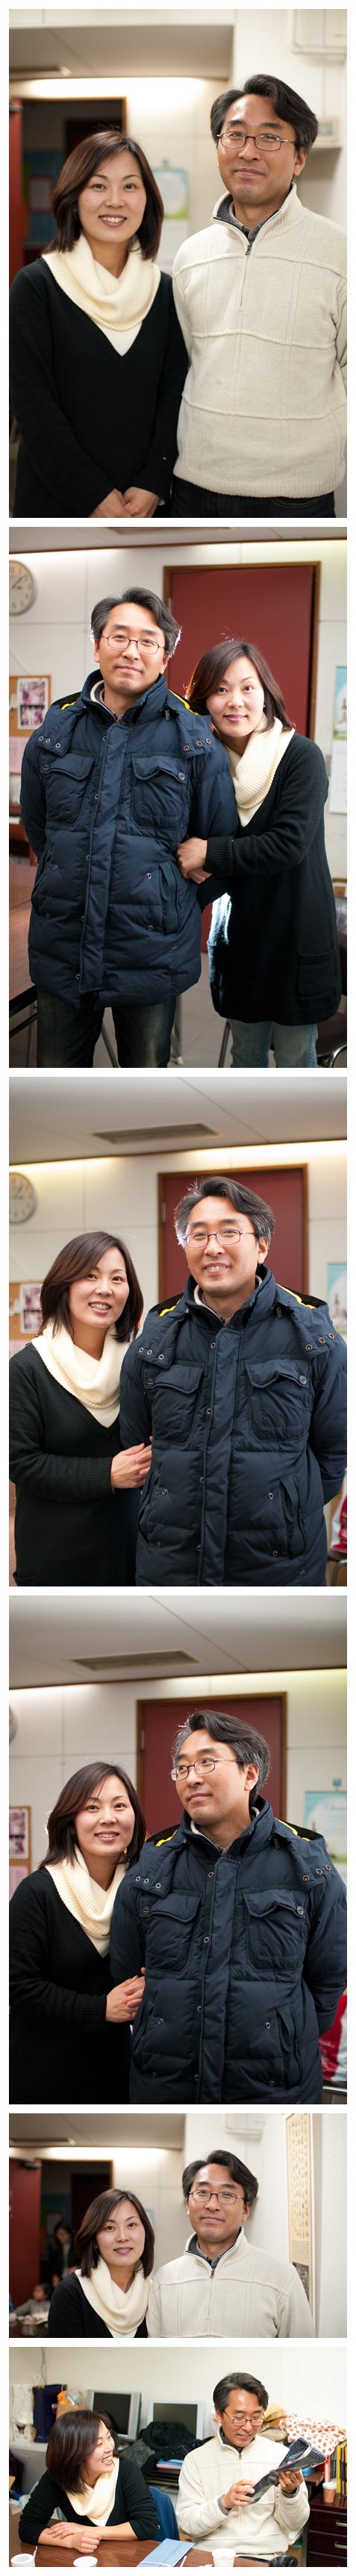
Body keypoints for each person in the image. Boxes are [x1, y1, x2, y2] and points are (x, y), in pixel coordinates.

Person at [19, 587, 236, 1069]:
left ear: (165, 657)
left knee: (144, 1086)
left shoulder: (194, 740)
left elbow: (217, 849)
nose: (131, 651)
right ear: (97, 646)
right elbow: (41, 833)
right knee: (56, 1086)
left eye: (147, 641)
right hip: (63, 943)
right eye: (119, 637)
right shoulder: (54, 734)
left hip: (152, 949)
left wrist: (167, 898)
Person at [110, 1707, 347, 2105]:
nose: (192, 1778)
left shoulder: (308, 1868)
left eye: (207, 1762)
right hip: (166, 2084)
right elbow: (126, 1974)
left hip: (274, 2087)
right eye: (182, 1768)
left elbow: (328, 1983)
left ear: (249, 1775)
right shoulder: (151, 1869)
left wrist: (283, 2036)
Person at [119, 1175, 347, 1586]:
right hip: (172, 1562)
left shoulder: (314, 1339)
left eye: (229, 1232)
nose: (213, 1247)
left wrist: (287, 1508)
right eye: (198, 1235)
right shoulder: (154, 1341)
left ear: (262, 1246)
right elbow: (137, 1446)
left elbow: (331, 1456)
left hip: (280, 1565)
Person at [172, 74, 346, 518]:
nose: (248, 151)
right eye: (235, 135)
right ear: (219, 147)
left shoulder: (340, 253)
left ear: (299, 157)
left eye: (270, 137)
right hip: (194, 485)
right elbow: (187, 364)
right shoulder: (190, 256)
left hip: (298, 495)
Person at [178, 636, 342, 1066]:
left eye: (248, 687)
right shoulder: (202, 764)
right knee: (245, 1056)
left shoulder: (301, 757)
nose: (236, 701)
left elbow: (288, 845)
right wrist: (193, 855)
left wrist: (208, 854)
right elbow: (180, 839)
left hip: (296, 934)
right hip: (239, 936)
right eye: (221, 689)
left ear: (266, 693)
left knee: (294, 1059)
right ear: (203, 700)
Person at [10, 128, 188, 519]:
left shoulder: (165, 291)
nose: (115, 200)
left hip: (146, 506)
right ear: (74, 198)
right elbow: (34, 409)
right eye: (98, 185)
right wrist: (92, 494)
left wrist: (155, 481)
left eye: (130, 186)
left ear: (146, 199)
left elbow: (174, 397)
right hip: (55, 505)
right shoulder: (37, 287)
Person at [9, 1229, 152, 1586]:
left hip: (132, 1552)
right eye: (90, 1275)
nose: (105, 1288)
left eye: (117, 1279)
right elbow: (21, 1463)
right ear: (65, 1285)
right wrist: (107, 1474)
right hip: (56, 1557)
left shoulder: (141, 1365)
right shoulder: (28, 1369)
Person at [9, 1760, 146, 2105]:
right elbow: (19, 1987)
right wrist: (101, 2009)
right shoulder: (38, 1892)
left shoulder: (143, 1892)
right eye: (92, 1807)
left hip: (116, 2074)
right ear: (70, 1820)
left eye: (120, 1805)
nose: (108, 1818)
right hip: (44, 2074)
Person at [146, 2148, 314, 2337]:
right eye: (202, 2192)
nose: (212, 2205)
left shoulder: (282, 2277)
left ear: (246, 2210)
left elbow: (302, 2344)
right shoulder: (165, 2279)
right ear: (188, 2205)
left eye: (227, 2195)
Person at [177, 2372, 310, 2560]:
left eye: (256, 2417)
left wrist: (291, 2493)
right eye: (239, 2418)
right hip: (213, 2559)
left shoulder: (281, 2456)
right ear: (219, 2414)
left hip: (266, 2559)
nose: (248, 2427)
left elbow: (295, 2524)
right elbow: (188, 2524)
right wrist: (224, 2503)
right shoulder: (195, 2460)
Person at [18, 2409, 158, 2551]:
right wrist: (70, 2541)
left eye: (109, 2437)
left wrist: (87, 2530)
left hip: (127, 2554)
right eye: (99, 2444)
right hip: (86, 2558)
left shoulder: (126, 2470)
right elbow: (28, 2526)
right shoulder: (57, 2478)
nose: (110, 2447)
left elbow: (146, 2525)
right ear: (74, 2454)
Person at [48, 2186, 153, 2337]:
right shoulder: (70, 2294)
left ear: (145, 2232)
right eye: (110, 2227)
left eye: (131, 2225)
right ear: (94, 2238)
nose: (123, 2237)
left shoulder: (157, 2293)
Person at [47, 2221, 75, 2292]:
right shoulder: (54, 2245)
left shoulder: (77, 2244)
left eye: (64, 2234)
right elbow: (51, 2263)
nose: (61, 2237)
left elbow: (84, 2260)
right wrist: (54, 2275)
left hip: (74, 2277)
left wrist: (77, 2267)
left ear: (70, 2233)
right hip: (60, 2277)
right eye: (59, 2234)